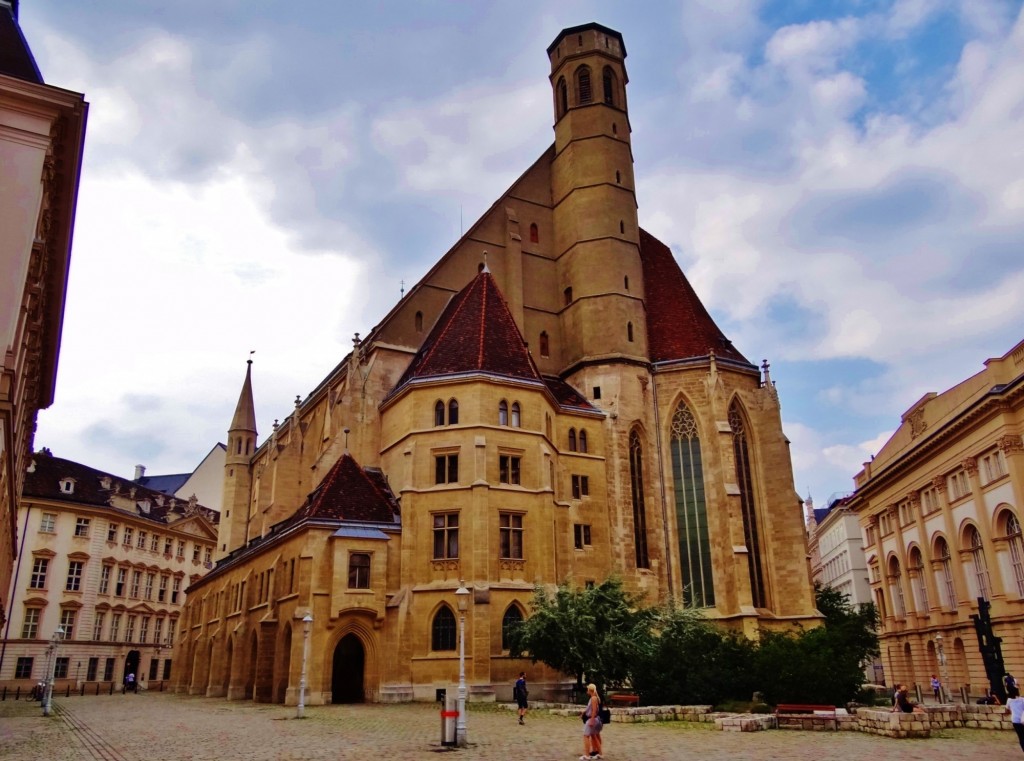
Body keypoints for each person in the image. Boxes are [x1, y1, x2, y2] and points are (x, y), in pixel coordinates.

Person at [580, 683, 603, 760]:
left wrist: (592, 720)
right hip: (595, 719)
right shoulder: (594, 698)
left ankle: (587, 755)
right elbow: (590, 708)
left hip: (592, 719)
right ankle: (600, 754)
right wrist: (584, 712)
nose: (587, 691)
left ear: (590, 690)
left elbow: (594, 710)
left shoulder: (593, 698)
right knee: (594, 736)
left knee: (586, 736)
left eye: (587, 689)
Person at [1006, 684, 1024, 753]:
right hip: (1023, 720)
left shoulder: (1009, 700)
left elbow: (1006, 710)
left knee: (1021, 737)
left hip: (1015, 721)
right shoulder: (1022, 700)